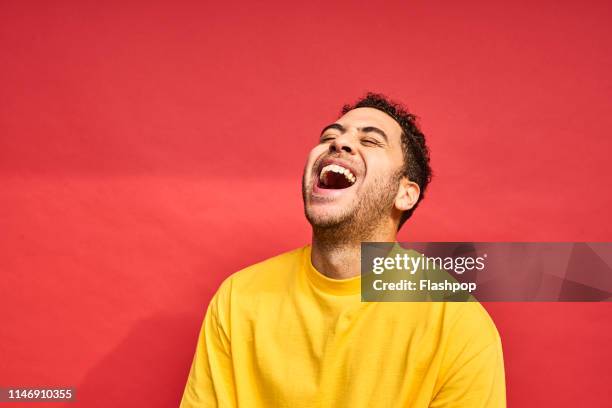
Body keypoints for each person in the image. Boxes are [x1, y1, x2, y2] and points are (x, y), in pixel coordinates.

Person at [180, 93, 506, 407]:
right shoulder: (239, 298)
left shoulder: (457, 323)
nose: (339, 143)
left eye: (370, 141)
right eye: (328, 136)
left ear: (405, 194)